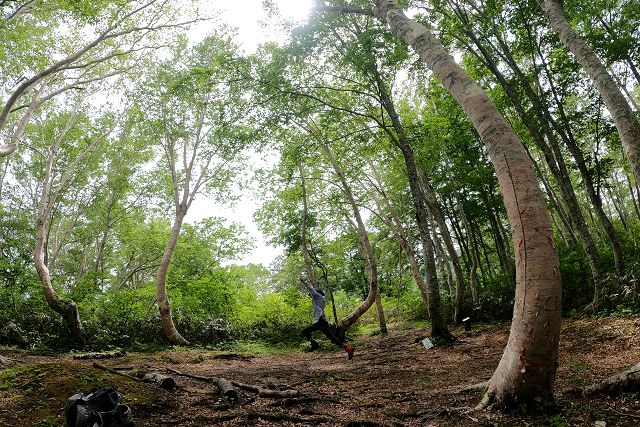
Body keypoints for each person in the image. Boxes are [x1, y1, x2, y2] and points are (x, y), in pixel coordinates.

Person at [300, 276, 354, 359]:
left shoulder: (317, 297)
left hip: (320, 321)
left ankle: (314, 344)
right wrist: (325, 286)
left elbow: (311, 289)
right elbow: (323, 292)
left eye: (311, 294)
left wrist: (303, 281)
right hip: (323, 321)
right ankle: (348, 348)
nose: (311, 295)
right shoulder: (322, 298)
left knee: (305, 331)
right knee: (332, 338)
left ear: (317, 293)